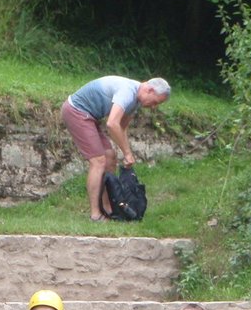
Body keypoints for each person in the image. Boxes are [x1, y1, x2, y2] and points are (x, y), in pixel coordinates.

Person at [61, 76, 171, 221]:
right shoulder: (127, 91)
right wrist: (127, 153)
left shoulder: (136, 101)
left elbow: (122, 128)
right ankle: (95, 215)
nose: (153, 107)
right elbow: (112, 124)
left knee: (110, 157)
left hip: (91, 117)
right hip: (76, 111)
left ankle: (109, 209)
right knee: (98, 161)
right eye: (155, 102)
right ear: (149, 90)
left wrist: (126, 154)